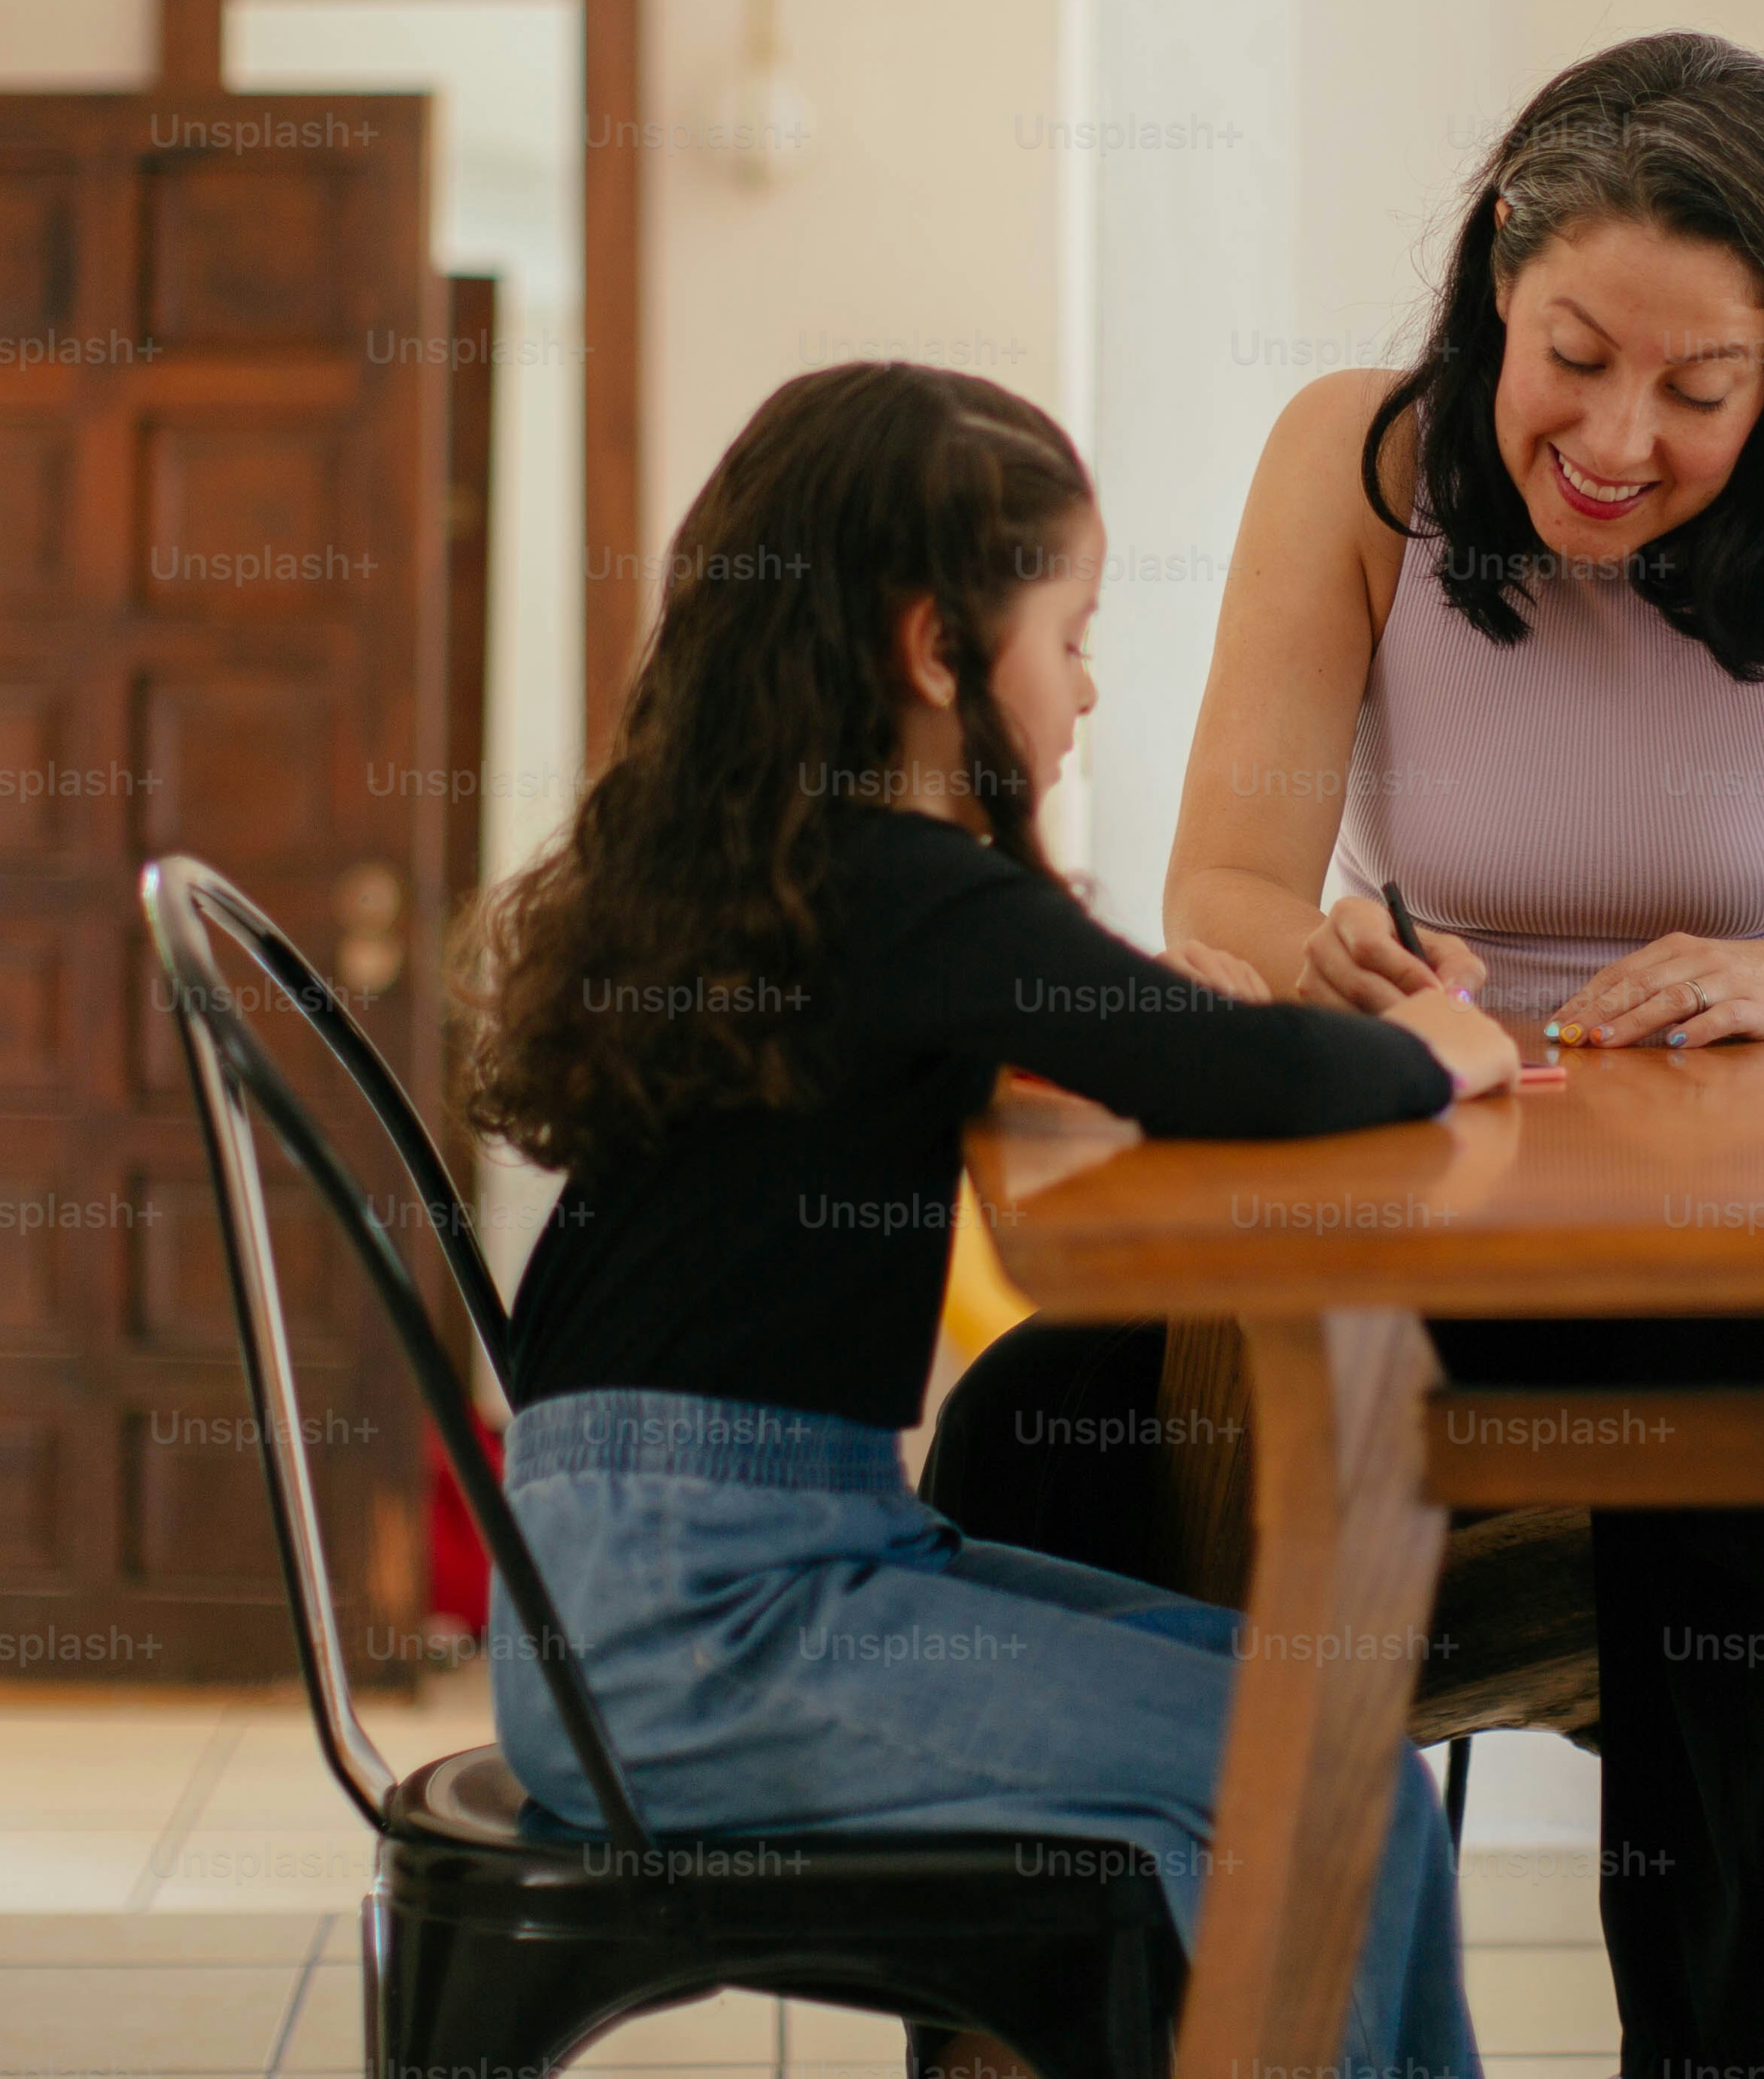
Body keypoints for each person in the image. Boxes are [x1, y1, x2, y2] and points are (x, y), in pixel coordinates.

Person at [929, 31, 1764, 2079]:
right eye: (1579, 352)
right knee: (1037, 1437)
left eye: (1700, 391)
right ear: (1506, 265)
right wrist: (1307, 948)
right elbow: (1218, 889)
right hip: (1437, 1236)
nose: (1617, 435)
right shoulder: (1364, 465)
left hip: (1750, 1256)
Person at [464, 362, 1512, 2079]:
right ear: (932, 646)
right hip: (700, 1636)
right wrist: (1435, 1049)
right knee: (1325, 1781)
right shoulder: (897, 879)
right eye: (1072, 633)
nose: (1089, 691)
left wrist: (1145, 1028)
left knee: (1333, 1749)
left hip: (656, 1593)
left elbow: (1115, 1045)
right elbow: (1252, 1079)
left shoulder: (788, 872)